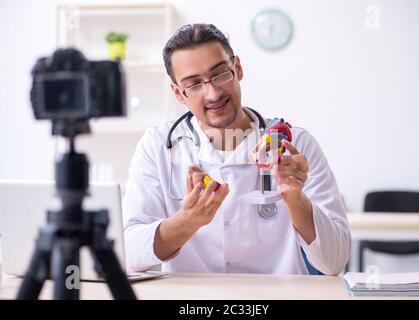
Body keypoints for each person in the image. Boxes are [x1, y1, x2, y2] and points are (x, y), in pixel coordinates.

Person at [122, 23, 351, 275]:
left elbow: (335, 261)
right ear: (178, 93)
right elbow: (130, 254)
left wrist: (295, 198)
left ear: (238, 69)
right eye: (194, 84)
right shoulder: (156, 146)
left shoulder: (295, 145)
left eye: (220, 74)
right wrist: (187, 221)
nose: (213, 93)